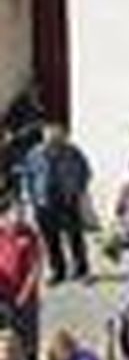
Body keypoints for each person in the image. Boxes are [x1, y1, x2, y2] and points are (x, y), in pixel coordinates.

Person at [21, 120, 92, 284]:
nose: (53, 140)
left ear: (62, 137)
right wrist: (29, 197)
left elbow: (85, 171)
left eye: (57, 137)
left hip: (67, 199)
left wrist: (77, 190)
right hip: (44, 201)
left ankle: (82, 270)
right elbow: (27, 175)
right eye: (49, 137)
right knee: (50, 239)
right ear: (43, 138)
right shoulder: (34, 154)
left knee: (75, 236)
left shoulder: (72, 152)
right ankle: (58, 271)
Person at [0, 200, 43, 359]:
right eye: (15, 214)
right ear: (5, 216)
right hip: (4, 296)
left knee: (29, 332)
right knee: (8, 334)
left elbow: (35, 267)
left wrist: (24, 294)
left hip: (26, 296)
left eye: (22, 214)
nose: (19, 218)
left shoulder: (29, 234)